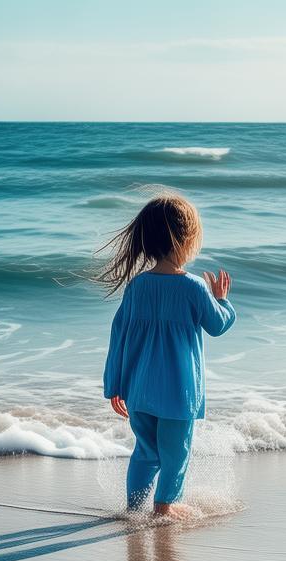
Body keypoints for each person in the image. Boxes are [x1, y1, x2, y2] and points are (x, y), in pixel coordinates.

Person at [97, 193, 236, 518]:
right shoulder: (193, 288)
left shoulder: (137, 286)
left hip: (139, 389)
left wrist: (114, 384)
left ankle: (133, 509)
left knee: (146, 452)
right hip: (178, 393)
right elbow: (217, 325)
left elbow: (119, 335)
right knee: (176, 453)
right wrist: (223, 301)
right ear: (185, 240)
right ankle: (164, 507)